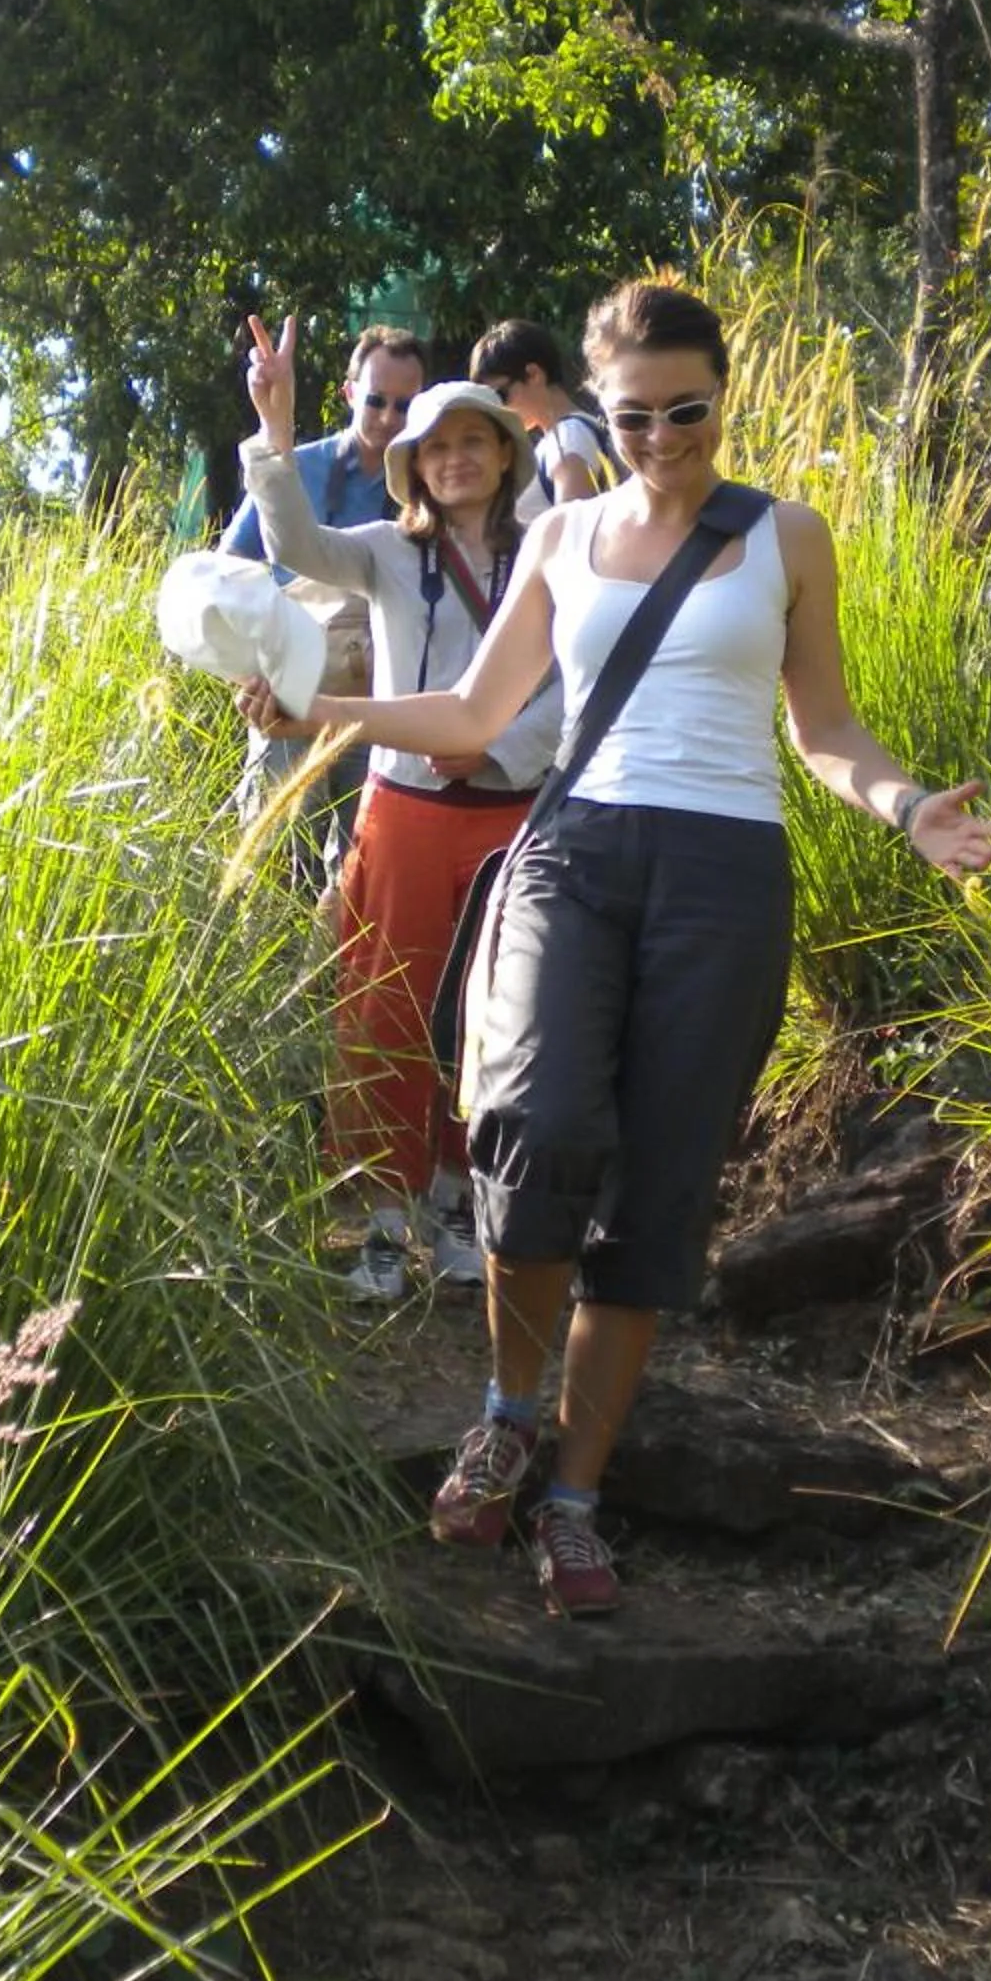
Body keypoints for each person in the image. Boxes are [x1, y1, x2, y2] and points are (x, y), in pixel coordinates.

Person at [242, 279, 991, 1618]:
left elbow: (823, 725)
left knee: (656, 1194)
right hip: (574, 854)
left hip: (723, 874)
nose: (662, 438)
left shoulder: (785, 536)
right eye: (636, 414)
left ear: (723, 395)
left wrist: (905, 806)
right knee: (528, 1127)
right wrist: (327, 708)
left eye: (689, 411)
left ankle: (577, 1491)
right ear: (600, 407)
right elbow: (480, 706)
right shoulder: (561, 536)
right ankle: (503, 1411)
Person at [239, 309, 563, 1304]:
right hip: (404, 809)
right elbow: (293, 539)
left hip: (511, 810)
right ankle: (381, 1219)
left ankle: (463, 1204)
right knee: (383, 1008)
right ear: (410, 463)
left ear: (506, 456)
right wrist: (277, 424)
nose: (456, 460)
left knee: (492, 1019)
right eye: (436, 447)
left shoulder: (550, 549)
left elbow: (564, 684)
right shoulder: (384, 550)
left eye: (475, 442)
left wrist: (495, 745)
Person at [219, 324, 428, 894]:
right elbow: (231, 571)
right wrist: (250, 671)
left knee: (362, 873)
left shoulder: (428, 487)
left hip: (377, 705)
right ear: (348, 394)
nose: (388, 417)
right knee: (274, 871)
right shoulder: (294, 465)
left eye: (405, 405)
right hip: (288, 690)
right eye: (377, 400)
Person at [470, 319, 617, 508]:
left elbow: (573, 527)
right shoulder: (567, 435)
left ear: (533, 375)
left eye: (500, 395)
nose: (498, 408)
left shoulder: (568, 437)